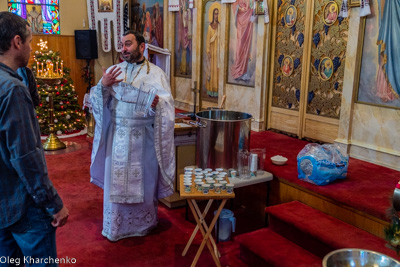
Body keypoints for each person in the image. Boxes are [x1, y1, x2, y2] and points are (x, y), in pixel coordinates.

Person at [90, 30, 175, 241]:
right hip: (117, 136)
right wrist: (103, 86)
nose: (123, 49)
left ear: (141, 46)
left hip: (143, 140)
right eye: (122, 45)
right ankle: (116, 226)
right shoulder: (113, 71)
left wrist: (156, 104)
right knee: (116, 183)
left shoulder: (156, 74)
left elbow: (167, 105)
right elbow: (97, 101)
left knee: (144, 182)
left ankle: (143, 223)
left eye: (128, 44)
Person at [0, 11, 69, 266]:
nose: (30, 47)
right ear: (17, 42)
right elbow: (26, 156)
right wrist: (53, 203)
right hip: (22, 203)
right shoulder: (12, 89)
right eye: (29, 41)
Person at [230, 0, 253, 80]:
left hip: (248, 21)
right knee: (240, 45)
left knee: (247, 45)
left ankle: (244, 72)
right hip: (241, 21)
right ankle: (238, 69)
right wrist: (240, 9)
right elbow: (235, 5)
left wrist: (250, 8)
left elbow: (253, 5)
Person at [206, 7, 220, 98]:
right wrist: (208, 51)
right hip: (212, 51)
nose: (216, 15)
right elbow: (208, 40)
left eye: (217, 14)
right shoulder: (210, 26)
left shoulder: (220, 26)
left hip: (218, 52)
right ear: (212, 15)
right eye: (215, 13)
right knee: (211, 71)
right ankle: (211, 90)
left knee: (217, 71)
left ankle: (217, 90)